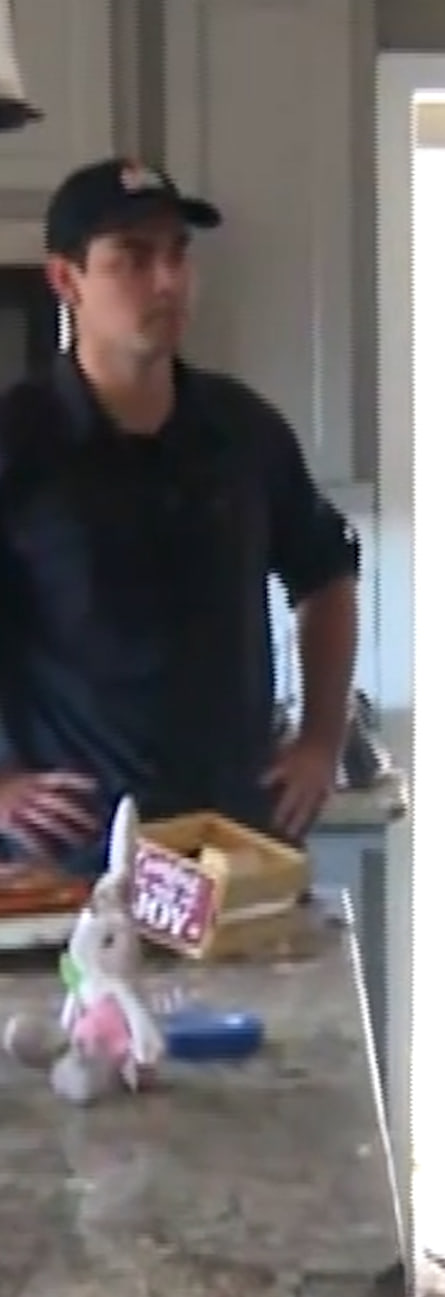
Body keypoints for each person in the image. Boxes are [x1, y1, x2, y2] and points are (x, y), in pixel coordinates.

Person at [0, 158, 360, 868]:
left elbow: (326, 576)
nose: (168, 280)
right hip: (67, 860)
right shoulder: (18, 440)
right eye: (133, 258)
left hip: (233, 843)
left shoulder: (243, 430)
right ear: (66, 280)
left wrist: (321, 740)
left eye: (177, 253)